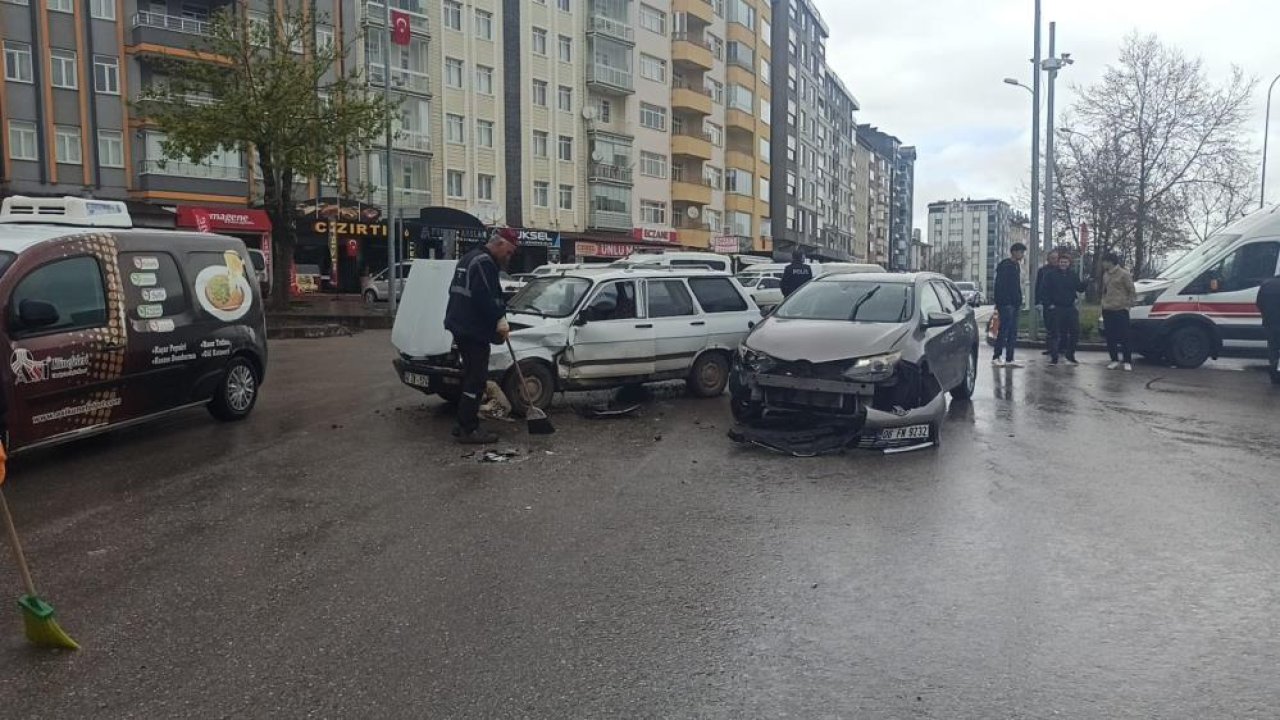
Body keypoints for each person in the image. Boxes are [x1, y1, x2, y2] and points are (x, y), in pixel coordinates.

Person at [444, 228, 519, 444]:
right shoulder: (485, 262)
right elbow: (486, 297)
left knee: (470, 377)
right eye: (509, 252)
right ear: (500, 243)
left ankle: (461, 424)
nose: (509, 257)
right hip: (472, 329)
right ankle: (469, 429)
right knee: (476, 380)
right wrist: (499, 318)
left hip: (460, 325)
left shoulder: (469, 258)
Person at [1041, 252, 1087, 365]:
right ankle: (1054, 356)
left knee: (1075, 331)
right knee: (1054, 333)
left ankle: (1070, 354)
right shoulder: (1050, 275)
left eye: (1065, 262)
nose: (1063, 264)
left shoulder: (1072, 275)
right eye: (1061, 262)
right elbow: (1044, 291)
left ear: (1069, 263)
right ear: (1058, 263)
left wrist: (1086, 282)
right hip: (1056, 308)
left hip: (1070, 308)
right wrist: (1049, 304)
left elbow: (1080, 289)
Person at [991, 242, 1027, 367]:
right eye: (1021, 252)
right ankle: (997, 356)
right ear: (1014, 252)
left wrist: (1018, 300)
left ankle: (1009, 358)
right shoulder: (1006, 266)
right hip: (1006, 303)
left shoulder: (1016, 265)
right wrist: (1003, 301)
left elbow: (1016, 286)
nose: (1022, 255)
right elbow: (1001, 286)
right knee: (1004, 330)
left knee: (1013, 331)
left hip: (1014, 303)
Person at [1100, 252, 1137, 371]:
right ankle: (1114, 359)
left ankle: (1127, 361)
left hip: (1121, 309)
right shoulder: (1105, 274)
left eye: (1104, 261)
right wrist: (1103, 303)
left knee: (1125, 336)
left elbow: (1131, 290)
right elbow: (1104, 290)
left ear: (1110, 261)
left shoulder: (1124, 274)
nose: (1103, 264)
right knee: (1110, 336)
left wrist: (1128, 305)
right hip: (1107, 308)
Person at [1034, 250, 1059, 355]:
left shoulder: (1060, 270)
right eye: (1052, 258)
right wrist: (1037, 301)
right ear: (1048, 259)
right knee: (1048, 325)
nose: (1054, 260)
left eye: (1056, 258)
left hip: (1058, 302)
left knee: (1058, 326)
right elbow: (1038, 286)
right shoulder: (1043, 271)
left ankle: (1059, 348)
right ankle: (1050, 348)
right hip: (1046, 302)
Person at [1258, 272, 1280, 385]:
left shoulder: (1266, 284)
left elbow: (1259, 303)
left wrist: (1266, 315)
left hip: (1270, 323)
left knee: (1273, 349)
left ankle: (1274, 374)